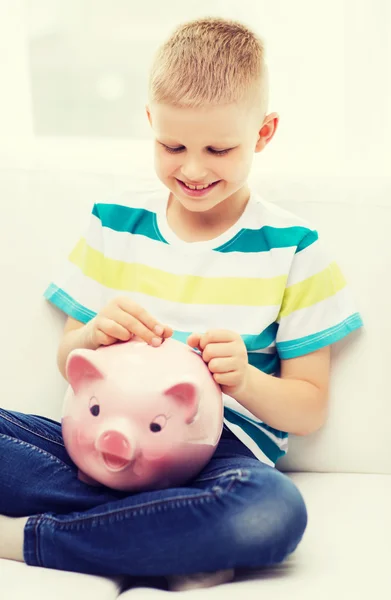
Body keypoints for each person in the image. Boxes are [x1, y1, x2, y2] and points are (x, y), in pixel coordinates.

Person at [0, 16, 363, 592]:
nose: (192, 169)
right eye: (173, 145)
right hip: (99, 442)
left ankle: (33, 539)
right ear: (150, 123)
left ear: (263, 133)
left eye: (219, 148)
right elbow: (68, 358)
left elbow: (308, 408)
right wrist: (91, 334)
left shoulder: (295, 249)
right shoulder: (113, 223)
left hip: (219, 459)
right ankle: (161, 536)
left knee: (271, 512)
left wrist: (244, 379)